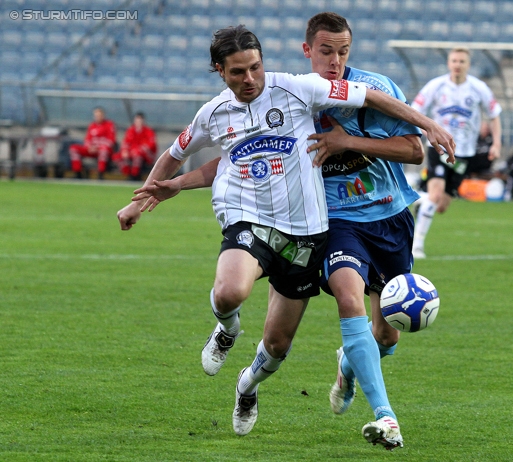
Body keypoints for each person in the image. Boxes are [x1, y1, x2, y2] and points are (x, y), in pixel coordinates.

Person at [116, 25, 455, 439]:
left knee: (302, 343)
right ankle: (384, 416)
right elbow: (195, 157)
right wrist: (145, 199)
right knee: (244, 293)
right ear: (220, 71)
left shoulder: (300, 90)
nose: (250, 79)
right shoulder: (216, 112)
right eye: (239, 71)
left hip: (316, 234)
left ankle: (254, 384)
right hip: (279, 222)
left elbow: (386, 115)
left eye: (256, 68)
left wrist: (422, 125)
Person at [302, 12, 423, 450]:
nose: (334, 61)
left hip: (389, 219)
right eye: (326, 51)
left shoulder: (377, 89)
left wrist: (347, 141)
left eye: (343, 52)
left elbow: (414, 151)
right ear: (307, 50)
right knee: (349, 301)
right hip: (338, 225)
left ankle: (347, 366)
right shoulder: (298, 99)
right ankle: (387, 418)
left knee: (387, 334)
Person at [410, 48, 502, 259]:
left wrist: (496, 143)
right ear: (448, 63)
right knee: (435, 194)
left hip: (464, 153)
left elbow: (494, 115)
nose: (457, 64)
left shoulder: (479, 88)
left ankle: (420, 199)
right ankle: (417, 245)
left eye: (462, 61)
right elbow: (415, 111)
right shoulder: (436, 85)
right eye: (454, 60)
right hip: (439, 148)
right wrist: (427, 132)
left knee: (441, 205)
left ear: (468, 65)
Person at [69, 107, 116, 179]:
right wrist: (89, 147)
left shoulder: (109, 125)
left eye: (99, 115)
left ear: (103, 116)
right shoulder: (92, 125)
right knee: (73, 148)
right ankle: (78, 173)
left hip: (102, 150)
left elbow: (111, 141)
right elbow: (87, 140)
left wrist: (97, 148)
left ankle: (100, 175)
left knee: (104, 150)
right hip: (91, 150)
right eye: (96, 115)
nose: (97, 117)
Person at [116, 112, 157, 181]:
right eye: (136, 120)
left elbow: (151, 145)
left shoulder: (148, 131)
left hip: (145, 155)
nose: (138, 122)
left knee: (137, 155)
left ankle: (134, 176)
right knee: (119, 157)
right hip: (132, 152)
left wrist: (137, 150)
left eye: (140, 120)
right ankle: (128, 174)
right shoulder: (131, 130)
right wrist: (125, 150)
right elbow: (126, 142)